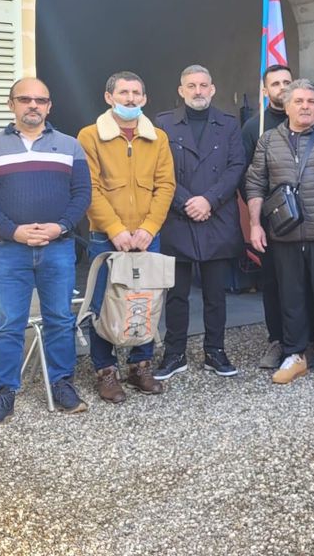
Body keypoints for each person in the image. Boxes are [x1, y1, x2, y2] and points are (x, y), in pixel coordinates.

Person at [0, 78, 92, 425]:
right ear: (12, 104)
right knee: (9, 324)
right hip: (9, 250)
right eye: (25, 99)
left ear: (50, 106)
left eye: (41, 100)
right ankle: (3, 395)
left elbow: (82, 194)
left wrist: (61, 226)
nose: (33, 105)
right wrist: (14, 231)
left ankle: (63, 386)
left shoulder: (69, 146)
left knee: (59, 320)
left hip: (58, 248)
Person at [246, 79, 314, 387]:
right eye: (299, 101)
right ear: (287, 105)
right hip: (284, 234)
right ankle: (295, 354)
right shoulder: (268, 140)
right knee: (290, 296)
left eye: (311, 101)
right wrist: (255, 224)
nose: (305, 106)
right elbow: (255, 183)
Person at [78, 71, 176, 402]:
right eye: (123, 93)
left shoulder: (157, 138)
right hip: (107, 236)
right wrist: (115, 229)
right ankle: (106, 371)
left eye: (136, 93)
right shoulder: (90, 136)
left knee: (144, 302)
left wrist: (149, 228)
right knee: (104, 303)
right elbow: (88, 188)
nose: (130, 99)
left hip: (148, 236)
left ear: (144, 99)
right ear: (109, 97)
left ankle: (140, 367)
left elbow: (166, 185)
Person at [153, 65, 246, 381]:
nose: (198, 90)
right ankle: (174, 353)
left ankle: (215, 351)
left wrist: (208, 200)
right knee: (176, 294)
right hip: (178, 218)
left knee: (215, 294)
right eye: (191, 85)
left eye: (203, 85)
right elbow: (159, 171)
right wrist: (187, 202)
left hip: (216, 216)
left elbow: (236, 167)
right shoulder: (163, 124)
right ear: (181, 90)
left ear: (213, 88)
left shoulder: (229, 124)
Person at [241, 63, 294, 369]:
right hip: (272, 220)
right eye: (276, 83)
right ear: (265, 90)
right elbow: (246, 178)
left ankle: (305, 341)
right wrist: (255, 219)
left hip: (306, 219)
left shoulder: (305, 116)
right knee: (273, 282)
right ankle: (277, 340)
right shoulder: (253, 127)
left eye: (288, 81)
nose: (283, 88)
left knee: (305, 282)